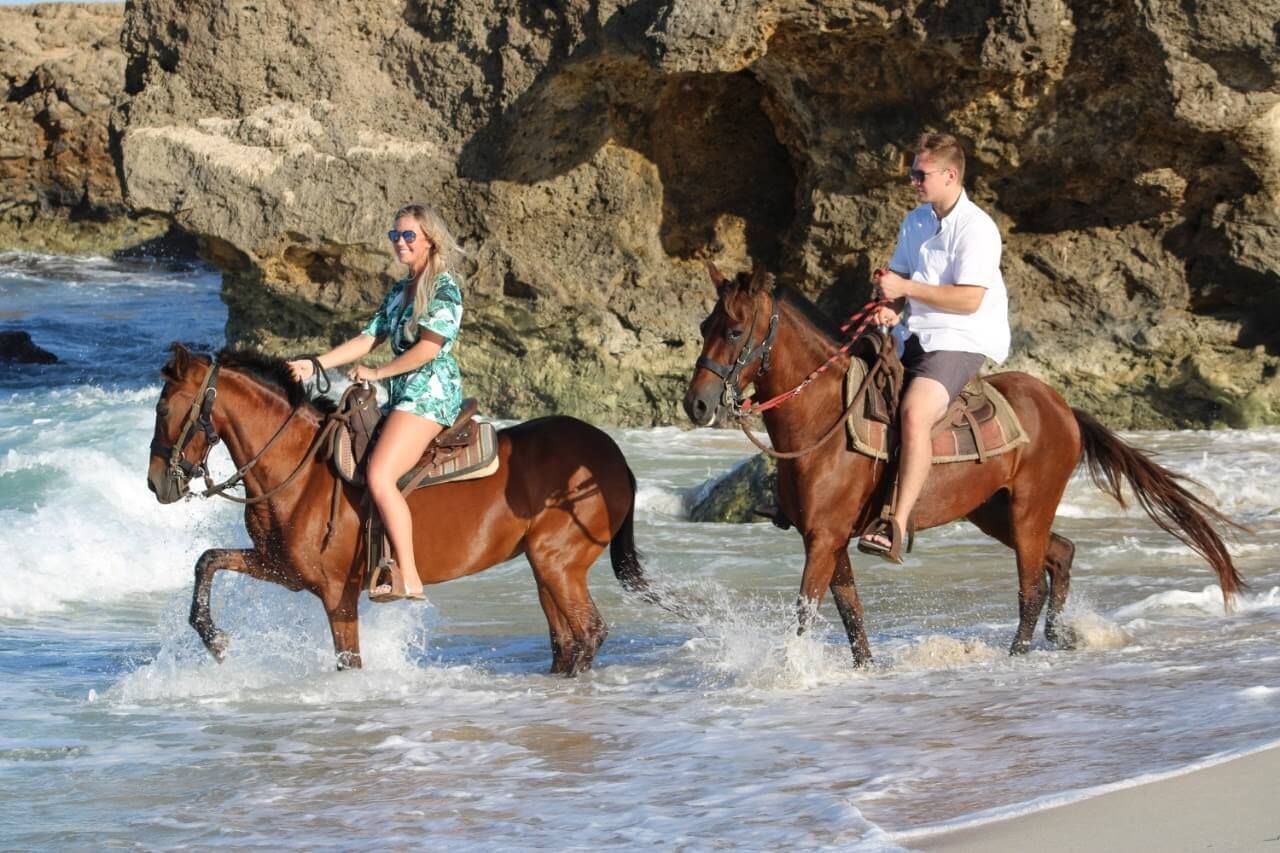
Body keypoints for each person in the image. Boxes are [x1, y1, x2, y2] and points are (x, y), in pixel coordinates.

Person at [287, 203, 465, 600]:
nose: (400, 242)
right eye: (394, 235)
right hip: (403, 392)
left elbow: (428, 349)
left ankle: (409, 577)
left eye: (408, 235)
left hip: (430, 392)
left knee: (381, 474)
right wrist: (315, 364)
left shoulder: (444, 290)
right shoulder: (400, 291)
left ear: (430, 240)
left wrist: (378, 373)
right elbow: (368, 338)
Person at [858, 132, 1009, 563]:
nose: (913, 182)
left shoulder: (978, 228)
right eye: (912, 173)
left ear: (950, 175)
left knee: (914, 413)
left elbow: (969, 299)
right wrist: (890, 307)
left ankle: (896, 523)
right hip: (914, 332)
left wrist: (904, 290)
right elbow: (900, 283)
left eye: (920, 175)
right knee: (845, 379)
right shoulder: (915, 221)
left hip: (961, 337)